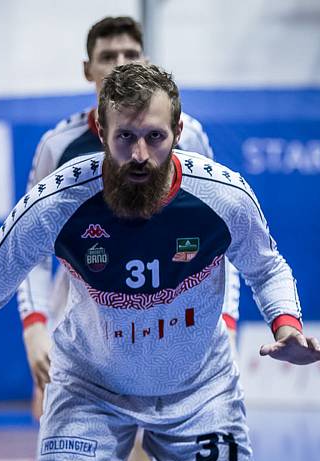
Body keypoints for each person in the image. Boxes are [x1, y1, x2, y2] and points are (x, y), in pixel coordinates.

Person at [0, 64, 320, 461]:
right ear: (101, 130)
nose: (140, 154)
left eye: (155, 137)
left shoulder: (223, 196)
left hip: (199, 389)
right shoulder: (55, 204)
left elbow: (266, 266)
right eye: (125, 137)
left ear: (179, 132)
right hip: (91, 389)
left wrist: (286, 324)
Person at [16, 16, 240, 418]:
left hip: (172, 322)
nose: (119, 63)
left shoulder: (188, 138)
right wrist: (35, 326)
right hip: (86, 325)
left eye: (130, 54)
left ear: (145, 60)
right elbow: (30, 250)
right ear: (88, 69)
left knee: (158, 453)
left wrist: (226, 322)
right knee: (58, 441)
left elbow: (222, 239)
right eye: (107, 56)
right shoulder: (58, 146)